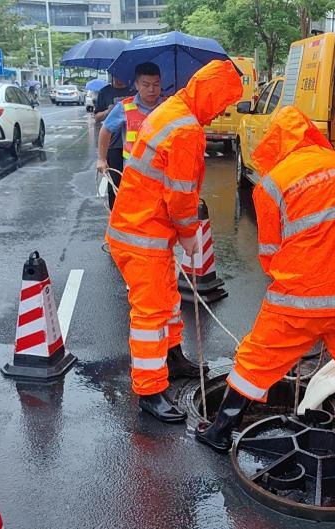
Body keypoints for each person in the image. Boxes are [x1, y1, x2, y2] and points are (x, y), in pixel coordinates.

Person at [195, 106, 335, 453]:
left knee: (257, 360)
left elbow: (270, 253)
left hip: (302, 296)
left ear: (277, 141)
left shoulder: (271, 184)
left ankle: (220, 431)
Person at [106, 60, 243, 423]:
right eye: (222, 104)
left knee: (167, 300)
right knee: (151, 314)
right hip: (144, 233)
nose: (220, 113)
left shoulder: (173, 109)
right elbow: (180, 196)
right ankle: (150, 391)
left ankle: (173, 357)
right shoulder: (185, 130)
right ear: (211, 95)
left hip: (143, 228)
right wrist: (189, 236)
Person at [97, 64, 163, 210]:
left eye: (156, 84)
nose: (151, 89)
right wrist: (101, 159)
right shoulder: (124, 107)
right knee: (133, 211)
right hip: (133, 173)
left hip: (161, 172)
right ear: (136, 85)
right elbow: (106, 130)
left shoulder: (168, 106)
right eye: (146, 85)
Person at [94, 76, 134, 209]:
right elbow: (97, 117)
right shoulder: (105, 92)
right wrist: (108, 111)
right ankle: (115, 215)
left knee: (133, 184)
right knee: (115, 184)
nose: (118, 78)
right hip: (114, 145)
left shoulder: (134, 90)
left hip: (133, 146)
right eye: (115, 75)